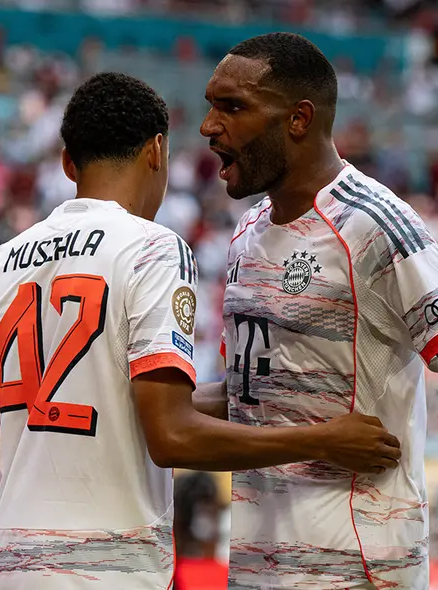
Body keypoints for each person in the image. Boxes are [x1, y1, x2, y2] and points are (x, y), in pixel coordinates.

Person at [0, 71, 401, 589]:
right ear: (158, 151)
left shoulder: (0, 263)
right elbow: (171, 435)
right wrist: (323, 440)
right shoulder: (153, 247)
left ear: (67, 162)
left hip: (7, 563)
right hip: (110, 569)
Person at [196, 32, 436, 588]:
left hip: (358, 567)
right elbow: (253, 395)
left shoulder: (377, 225)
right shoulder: (247, 234)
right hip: (259, 563)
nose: (209, 126)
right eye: (210, 105)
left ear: (298, 119)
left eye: (232, 106)